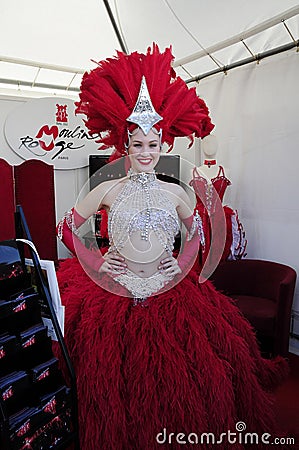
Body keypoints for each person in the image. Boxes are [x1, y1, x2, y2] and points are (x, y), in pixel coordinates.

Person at [56, 45, 289, 450]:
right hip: (117, 296)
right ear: (124, 143)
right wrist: (97, 261)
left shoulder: (176, 193)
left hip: (171, 293)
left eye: (153, 144)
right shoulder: (106, 187)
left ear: (164, 144)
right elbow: (68, 229)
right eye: (137, 143)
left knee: (198, 379)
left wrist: (179, 266)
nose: (146, 153)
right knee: (116, 385)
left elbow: (197, 234)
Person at [190, 133, 247, 267]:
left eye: (213, 143)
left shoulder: (225, 171)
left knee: (221, 253)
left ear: (218, 146)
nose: (210, 147)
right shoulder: (193, 171)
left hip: (219, 218)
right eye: (206, 143)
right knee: (199, 257)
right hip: (200, 220)